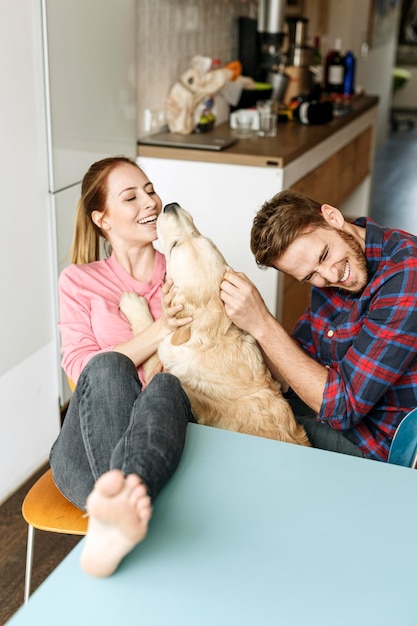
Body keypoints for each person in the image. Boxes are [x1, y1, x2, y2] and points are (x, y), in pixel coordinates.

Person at [49, 156, 193, 578]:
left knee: (167, 388)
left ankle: (115, 527)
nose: (149, 202)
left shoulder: (182, 270)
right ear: (102, 219)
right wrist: (159, 329)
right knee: (108, 366)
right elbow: (80, 367)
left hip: (160, 442)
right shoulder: (78, 280)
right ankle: (121, 512)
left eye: (149, 190)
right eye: (130, 197)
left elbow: (196, 364)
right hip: (83, 452)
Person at [220, 189, 417, 462]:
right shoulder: (333, 268)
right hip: (340, 416)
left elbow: (341, 407)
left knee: (244, 435)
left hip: (388, 446)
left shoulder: (406, 272)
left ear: (332, 217)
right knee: (234, 412)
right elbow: (294, 362)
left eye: (324, 255)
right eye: (310, 275)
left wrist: (262, 324)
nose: (332, 276)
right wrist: (228, 311)